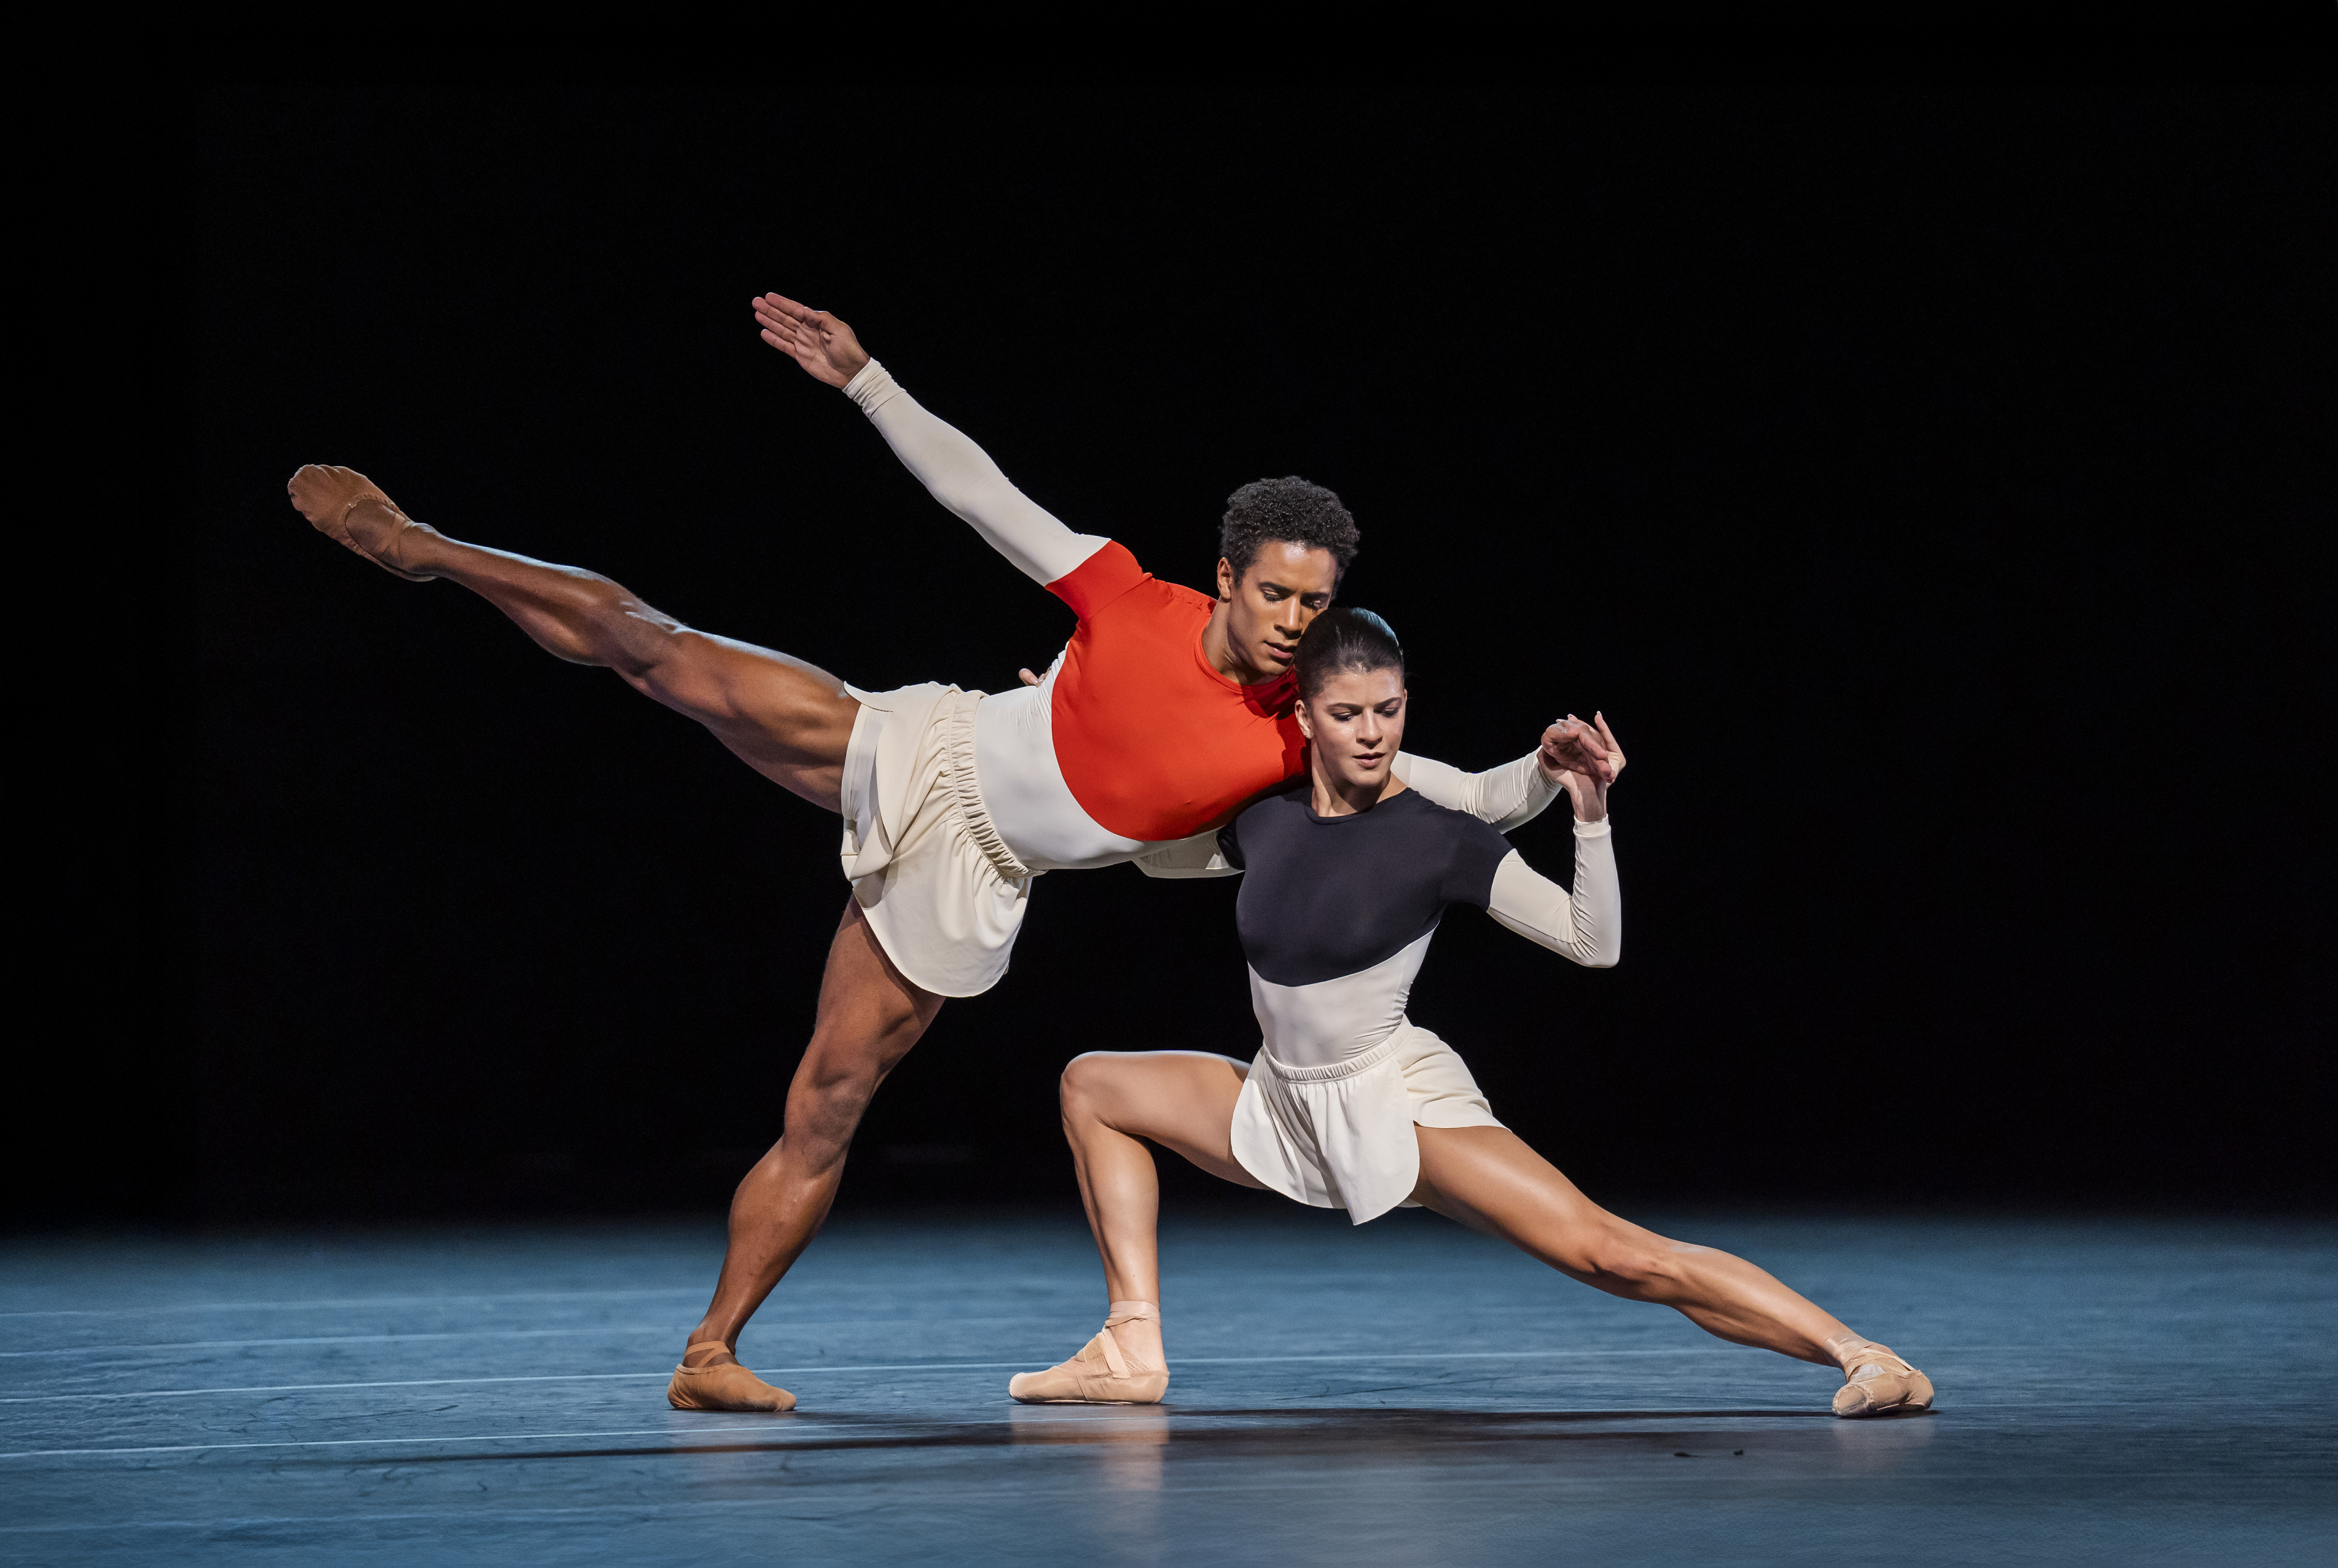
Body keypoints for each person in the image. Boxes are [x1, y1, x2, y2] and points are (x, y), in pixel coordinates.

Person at [283, 294, 1617, 1414]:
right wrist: (864, 377)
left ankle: (708, 1356)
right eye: (1275, 592)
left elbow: (1459, 796)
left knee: (828, 1102)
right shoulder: (1127, 594)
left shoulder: (1296, 735)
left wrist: (1549, 776)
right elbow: (980, 493)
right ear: (1225, 577)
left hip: (972, 877)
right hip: (927, 747)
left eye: (1315, 604)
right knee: (660, 651)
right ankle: (419, 547)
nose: (1293, 620)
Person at [1008, 607, 1935, 1420]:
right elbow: (1141, 850)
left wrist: (1589, 813)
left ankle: (1866, 1357)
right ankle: (1131, 1347)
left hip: (1397, 1107)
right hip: (1282, 1102)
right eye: (1346, 714)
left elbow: (1591, 942)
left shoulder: (1440, 839)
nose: (1370, 733)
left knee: (1616, 1256)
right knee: (1092, 1086)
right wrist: (1076, 754)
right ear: (1302, 716)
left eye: (1388, 710)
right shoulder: (1265, 815)